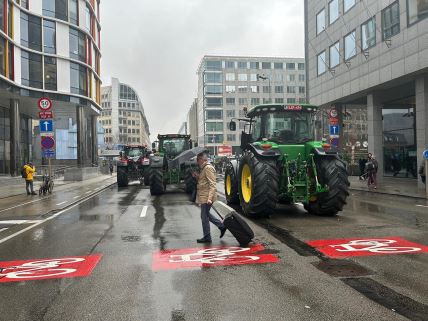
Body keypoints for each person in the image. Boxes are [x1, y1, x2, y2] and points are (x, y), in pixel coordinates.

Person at [193, 151, 226, 243]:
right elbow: (204, 181)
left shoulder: (208, 168)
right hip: (204, 196)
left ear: (202, 159)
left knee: (204, 217)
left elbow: (212, 184)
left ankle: (207, 237)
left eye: (198, 160)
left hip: (207, 197)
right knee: (206, 215)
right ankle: (221, 226)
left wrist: (209, 198)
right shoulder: (204, 168)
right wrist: (197, 177)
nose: (197, 162)